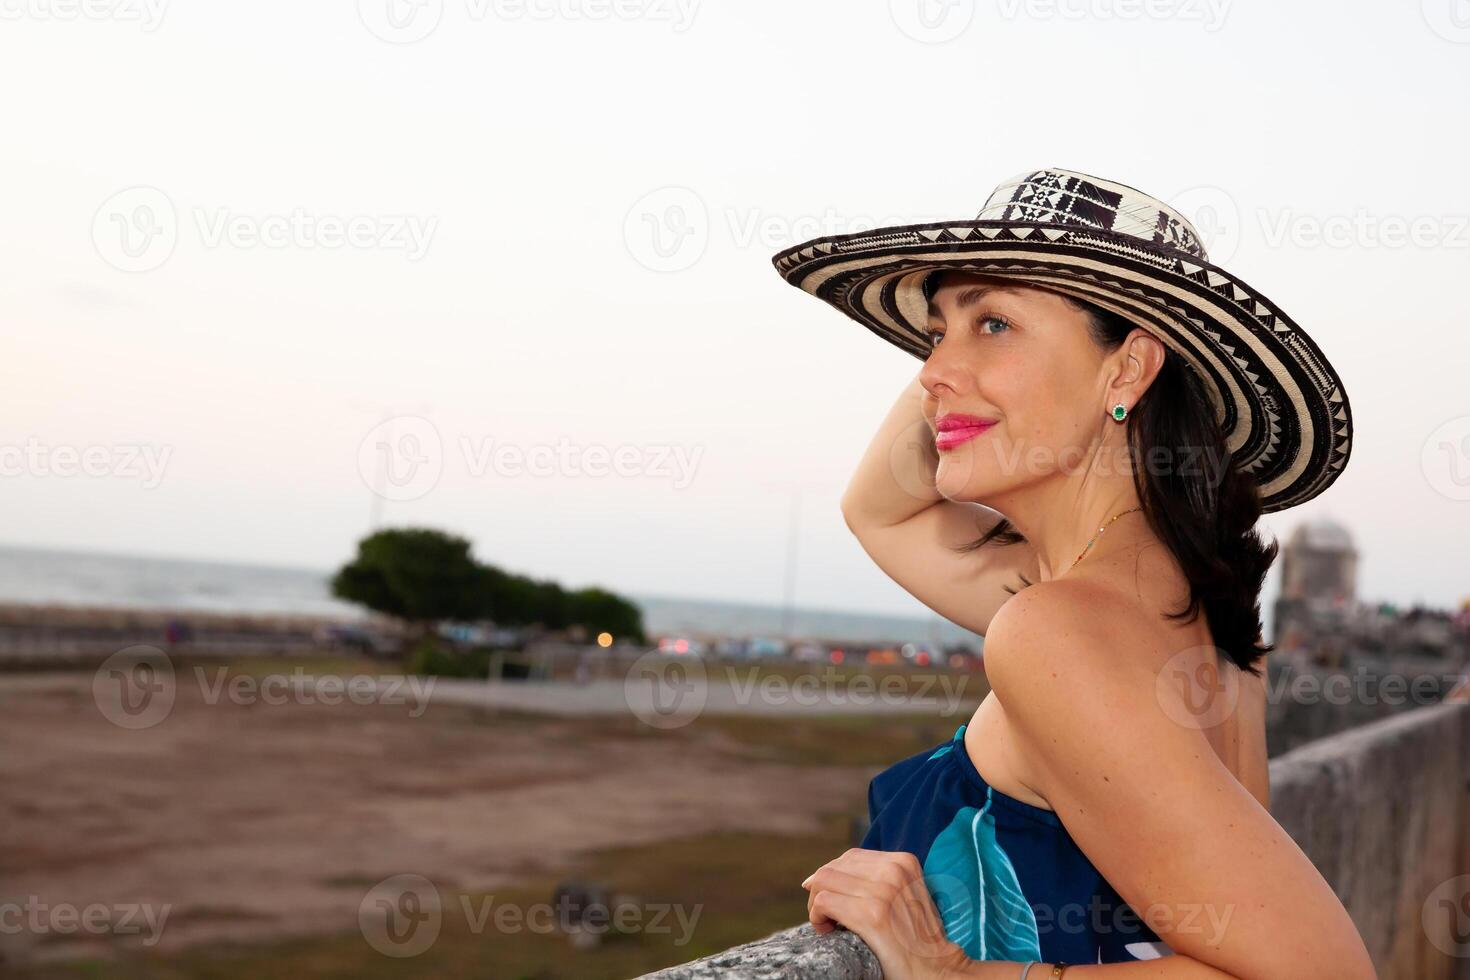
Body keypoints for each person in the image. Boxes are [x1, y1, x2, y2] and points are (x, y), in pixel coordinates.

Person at [772, 169, 1375, 979]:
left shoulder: (1056, 627)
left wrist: (949, 973)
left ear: (1126, 372)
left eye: (994, 321)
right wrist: (965, 371)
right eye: (937, 328)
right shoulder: (1187, 612)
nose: (928, 370)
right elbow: (880, 511)